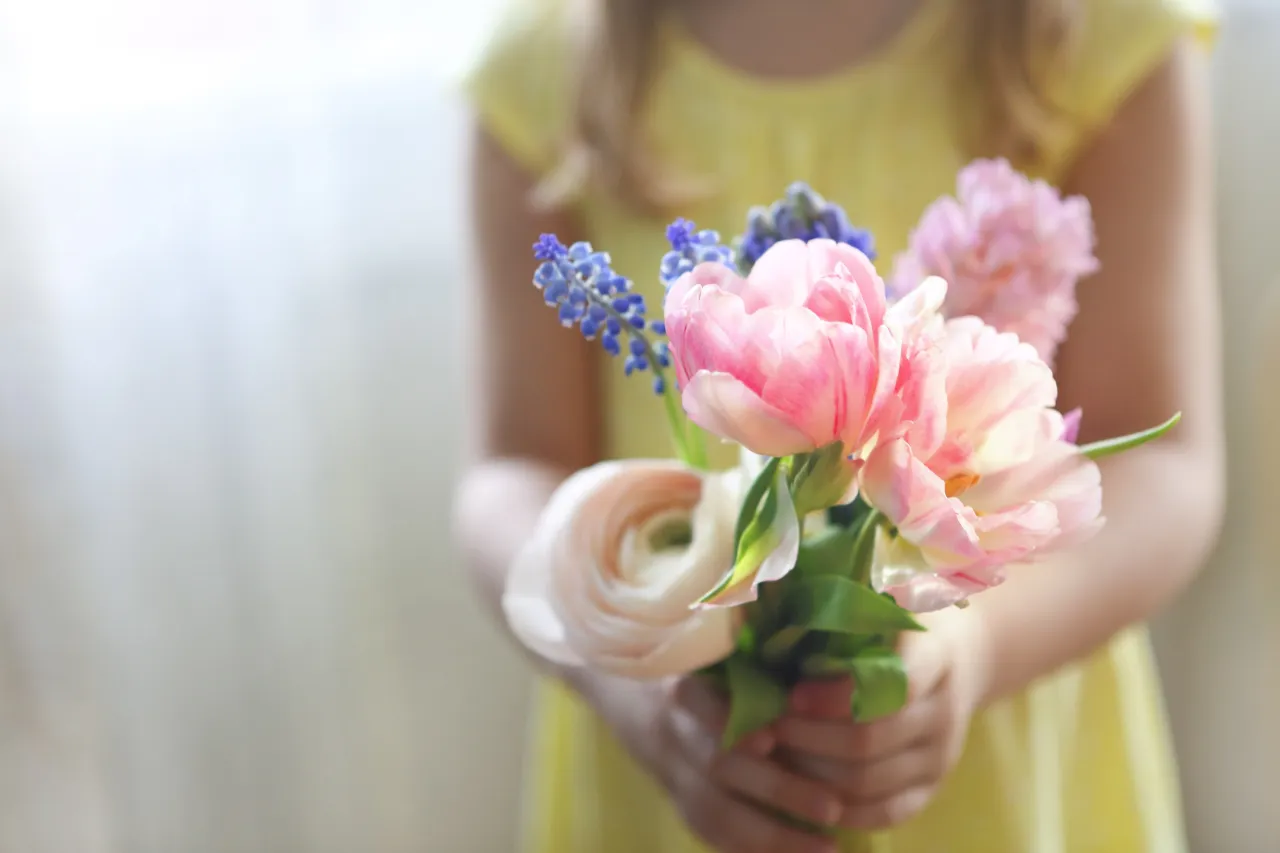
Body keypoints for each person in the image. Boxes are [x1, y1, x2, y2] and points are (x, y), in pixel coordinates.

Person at [452, 0, 1225, 850]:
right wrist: (633, 687)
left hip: (999, 756)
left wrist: (975, 654)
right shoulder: (545, 70)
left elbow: (1165, 464)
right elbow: (511, 470)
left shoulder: (1098, 35)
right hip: (673, 757)